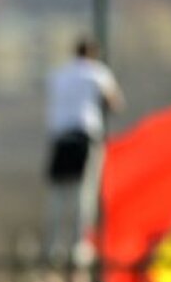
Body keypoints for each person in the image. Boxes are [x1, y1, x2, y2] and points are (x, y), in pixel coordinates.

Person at [44, 36, 124, 263]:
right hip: (84, 135)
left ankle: (53, 244)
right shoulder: (96, 72)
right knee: (85, 191)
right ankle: (80, 245)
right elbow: (115, 102)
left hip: (59, 137)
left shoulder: (59, 74)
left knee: (58, 193)